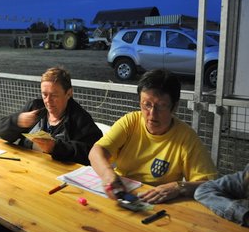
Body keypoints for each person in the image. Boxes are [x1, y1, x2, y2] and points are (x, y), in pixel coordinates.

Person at [89, 69, 217, 203]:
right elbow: (96, 151)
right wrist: (108, 175)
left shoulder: (186, 137)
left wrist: (178, 187)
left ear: (174, 107)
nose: (152, 114)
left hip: (157, 202)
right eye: (146, 105)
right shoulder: (130, 122)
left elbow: (209, 184)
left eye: (161, 106)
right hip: (120, 193)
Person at [0, 67, 103, 165]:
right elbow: (2, 131)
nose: (48, 101)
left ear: (69, 93)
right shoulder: (35, 107)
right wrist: (17, 122)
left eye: (54, 95)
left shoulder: (79, 118)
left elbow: (94, 152)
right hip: (27, 165)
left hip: (56, 175)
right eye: (44, 94)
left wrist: (56, 148)